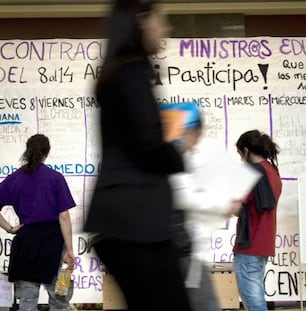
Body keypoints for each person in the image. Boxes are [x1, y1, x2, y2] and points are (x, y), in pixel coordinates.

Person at [83, 1, 192, 311]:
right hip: (138, 222)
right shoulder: (131, 74)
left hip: (122, 220)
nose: (165, 29)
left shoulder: (117, 73)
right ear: (140, 23)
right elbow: (149, 143)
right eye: (161, 21)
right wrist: (178, 156)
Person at [0, 134, 76, 311]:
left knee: (27, 302)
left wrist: (9, 228)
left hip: (26, 242)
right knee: (59, 301)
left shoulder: (15, 178)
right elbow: (64, 216)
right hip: (53, 242)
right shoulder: (55, 177)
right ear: (47, 152)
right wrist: (69, 250)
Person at [166, 103, 242, 311]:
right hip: (180, 252)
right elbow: (183, 196)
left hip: (180, 251)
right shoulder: (173, 158)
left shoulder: (180, 157)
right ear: (189, 130)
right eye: (197, 131)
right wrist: (225, 204)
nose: (198, 137)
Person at [232, 129, 282, 311]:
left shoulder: (251, 173)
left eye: (239, 154)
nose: (240, 159)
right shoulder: (273, 173)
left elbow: (237, 208)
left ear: (245, 150)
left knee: (253, 302)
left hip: (249, 244)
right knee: (256, 297)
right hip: (264, 243)